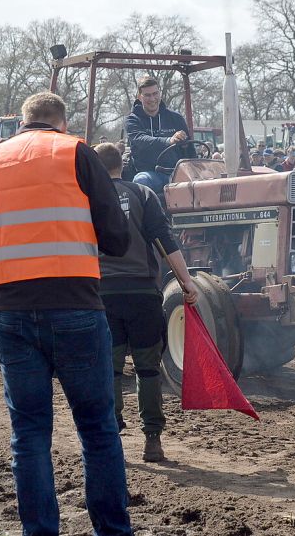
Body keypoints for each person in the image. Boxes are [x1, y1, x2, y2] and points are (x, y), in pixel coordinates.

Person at [0, 92, 132, 535]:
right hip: (75, 306)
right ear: (62, 122)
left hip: (9, 311)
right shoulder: (75, 151)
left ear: (21, 123)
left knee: (30, 434)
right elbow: (117, 238)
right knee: (97, 429)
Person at [92, 143, 196, 462]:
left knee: (109, 369)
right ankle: (152, 439)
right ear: (121, 166)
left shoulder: (85, 198)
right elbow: (165, 241)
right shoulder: (144, 194)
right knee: (147, 368)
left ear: (95, 167)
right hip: (142, 293)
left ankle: (111, 433)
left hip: (102, 295)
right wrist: (186, 283)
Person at [126, 77, 190, 194]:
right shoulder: (133, 120)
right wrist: (169, 140)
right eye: (147, 95)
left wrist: (184, 144)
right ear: (139, 97)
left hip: (177, 173)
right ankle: (150, 211)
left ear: (159, 93)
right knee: (141, 180)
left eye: (155, 94)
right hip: (151, 174)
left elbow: (190, 150)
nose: (152, 99)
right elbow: (140, 140)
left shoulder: (176, 118)